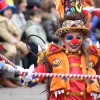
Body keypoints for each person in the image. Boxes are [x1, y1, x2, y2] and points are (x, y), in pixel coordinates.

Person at [18, 0, 100, 100]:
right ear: (63, 39)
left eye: (78, 37)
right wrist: (30, 76)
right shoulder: (54, 55)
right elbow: (41, 71)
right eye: (70, 38)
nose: (74, 41)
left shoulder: (92, 56)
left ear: (83, 39)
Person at [0, 0, 29, 87]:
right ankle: (5, 77)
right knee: (12, 52)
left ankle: (13, 77)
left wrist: (17, 35)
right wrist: (13, 39)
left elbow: (17, 30)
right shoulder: (2, 20)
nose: (9, 12)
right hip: (4, 42)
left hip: (12, 41)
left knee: (20, 51)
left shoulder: (11, 19)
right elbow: (4, 33)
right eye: (7, 10)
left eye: (10, 10)